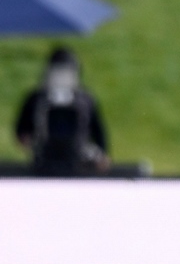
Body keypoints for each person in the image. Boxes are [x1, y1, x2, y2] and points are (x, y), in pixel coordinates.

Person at [15, 47, 110, 177]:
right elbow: (21, 132)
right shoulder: (37, 99)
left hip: (78, 160)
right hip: (43, 161)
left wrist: (101, 155)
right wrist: (32, 140)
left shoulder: (84, 100)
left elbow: (98, 131)